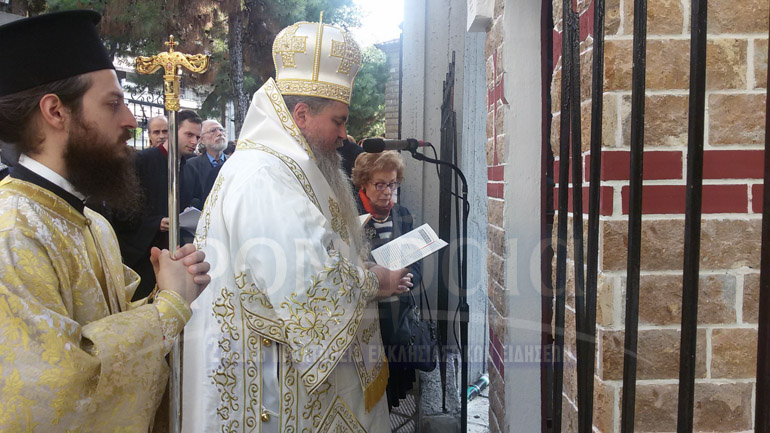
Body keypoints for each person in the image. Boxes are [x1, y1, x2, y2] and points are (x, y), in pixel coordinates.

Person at [182, 19, 412, 433]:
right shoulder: (264, 176)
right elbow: (312, 288)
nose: (345, 134)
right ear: (301, 114)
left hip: (286, 366)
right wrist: (374, 279)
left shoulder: (284, 164)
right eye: (339, 121)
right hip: (271, 387)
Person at [0, 10, 210, 431]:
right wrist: (167, 309)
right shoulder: (11, 231)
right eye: (113, 104)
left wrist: (169, 292)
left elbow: (112, 319)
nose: (130, 120)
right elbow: (53, 387)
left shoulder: (92, 222)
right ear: (56, 112)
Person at [352, 151, 423, 409]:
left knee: (392, 395)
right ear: (363, 184)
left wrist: (409, 278)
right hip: (365, 320)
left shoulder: (403, 215)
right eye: (379, 184)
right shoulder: (351, 215)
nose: (387, 191)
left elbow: (416, 262)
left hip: (397, 319)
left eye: (392, 184)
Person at [113, 109, 203, 300]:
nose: (194, 142)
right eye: (189, 135)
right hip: (141, 256)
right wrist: (156, 222)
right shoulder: (141, 161)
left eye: (197, 136)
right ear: (171, 132)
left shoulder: (190, 171)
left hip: (174, 256)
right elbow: (119, 208)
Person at [187, 119, 227, 203]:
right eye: (213, 131)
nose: (219, 133)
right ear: (202, 139)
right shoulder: (191, 166)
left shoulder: (235, 163)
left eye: (221, 130)